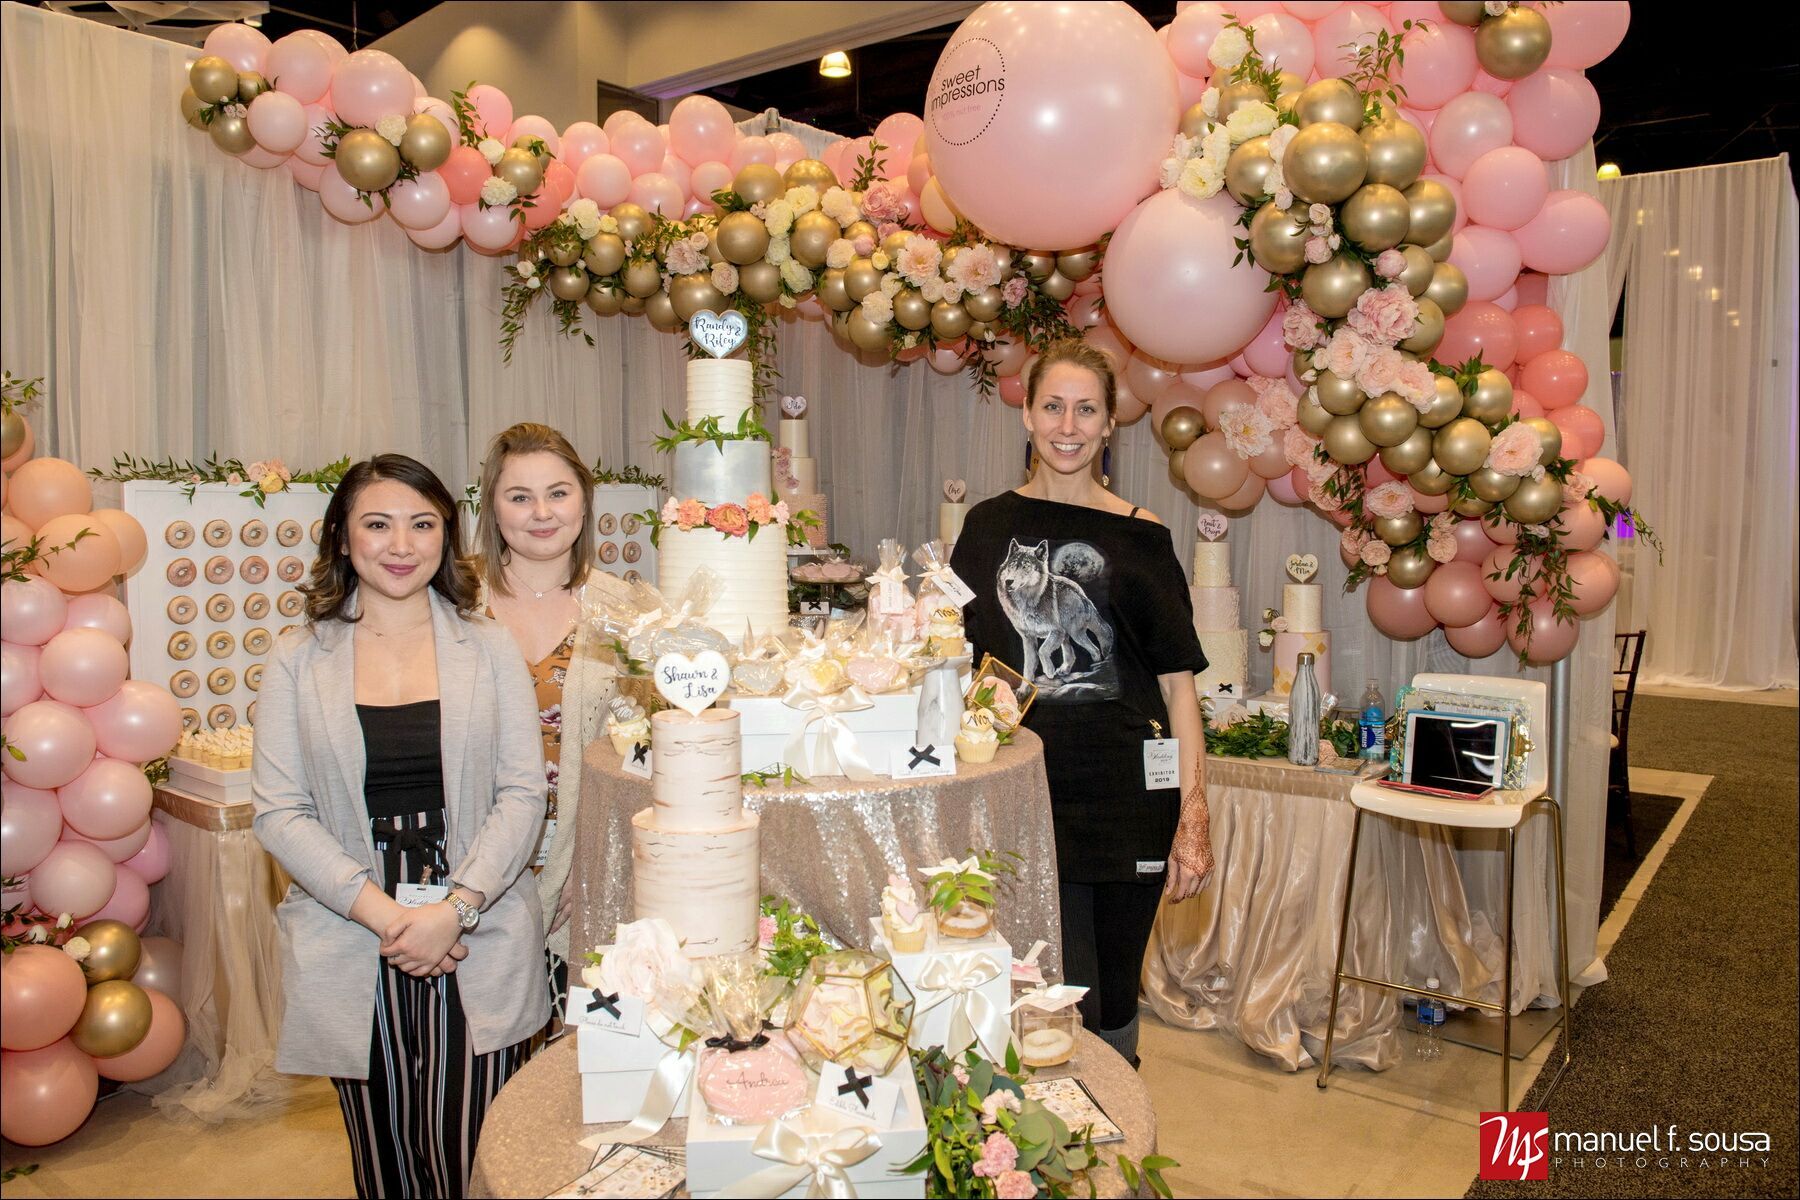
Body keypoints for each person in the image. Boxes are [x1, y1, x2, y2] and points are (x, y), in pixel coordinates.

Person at [253, 454, 548, 1198]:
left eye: (422, 524)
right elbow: (280, 812)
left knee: (479, 1153)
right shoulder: (297, 658)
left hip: (475, 915)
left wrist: (456, 909)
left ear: (446, 537)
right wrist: (389, 916)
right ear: (342, 537)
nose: (401, 544)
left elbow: (522, 793)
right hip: (353, 919)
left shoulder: (487, 646)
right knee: (382, 1156)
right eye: (377, 523)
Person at [950, 340, 1214, 1067]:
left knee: (1114, 993)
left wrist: (1193, 811)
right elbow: (956, 660)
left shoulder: (1142, 536)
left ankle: (1115, 1140)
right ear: (1028, 417)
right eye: (1053, 406)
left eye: (1086, 409)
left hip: (1130, 796)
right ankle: (1054, 1142)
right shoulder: (985, 527)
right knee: (1052, 986)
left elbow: (1177, 685)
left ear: (1108, 426)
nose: (1068, 425)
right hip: (1021, 793)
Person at [472, 423, 616, 1021]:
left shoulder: (624, 611)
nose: (541, 513)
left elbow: (636, 764)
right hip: (465, 862)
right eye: (519, 496)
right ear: (492, 507)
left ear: (584, 499)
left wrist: (589, 867)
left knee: (562, 1073)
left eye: (558, 493)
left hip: (577, 862)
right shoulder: (449, 602)